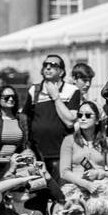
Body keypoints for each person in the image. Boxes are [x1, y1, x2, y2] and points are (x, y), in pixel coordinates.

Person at [25, 53, 81, 188]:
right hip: (38, 154)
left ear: (61, 72)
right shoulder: (34, 90)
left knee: (61, 192)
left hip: (61, 153)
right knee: (39, 192)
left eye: (53, 65)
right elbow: (26, 118)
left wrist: (56, 97)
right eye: (45, 65)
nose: (48, 68)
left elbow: (69, 121)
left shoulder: (72, 91)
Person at [61, 100, 108, 213]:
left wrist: (101, 173)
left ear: (96, 120)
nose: (83, 118)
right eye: (80, 115)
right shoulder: (69, 141)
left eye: (88, 115)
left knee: (105, 206)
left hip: (102, 190)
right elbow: (64, 172)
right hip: (76, 188)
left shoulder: (107, 142)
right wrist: (86, 184)